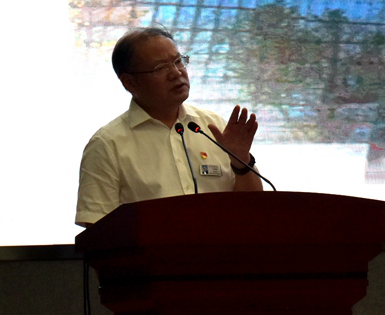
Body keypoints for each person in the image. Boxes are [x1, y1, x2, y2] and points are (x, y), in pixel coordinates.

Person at [76, 26, 263, 227]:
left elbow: (255, 209)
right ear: (129, 82)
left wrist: (241, 160)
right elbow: (97, 230)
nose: (176, 73)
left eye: (178, 61)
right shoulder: (107, 145)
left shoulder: (213, 128)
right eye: (160, 68)